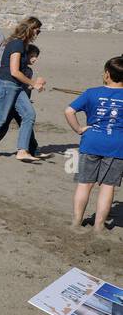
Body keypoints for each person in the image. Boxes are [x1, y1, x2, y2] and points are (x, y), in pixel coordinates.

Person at [66, 56, 123, 232]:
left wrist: (79, 129)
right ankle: (99, 226)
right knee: (107, 187)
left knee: (84, 184)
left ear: (107, 74)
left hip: (91, 141)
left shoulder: (91, 92)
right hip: (116, 145)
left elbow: (69, 111)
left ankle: (76, 222)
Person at [0, 16, 44, 163]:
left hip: (15, 86)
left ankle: (22, 150)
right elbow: (14, 71)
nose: (37, 34)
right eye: (37, 31)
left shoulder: (21, 45)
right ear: (29, 29)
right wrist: (33, 83)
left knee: (29, 114)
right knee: (0, 119)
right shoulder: (17, 44)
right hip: (6, 84)